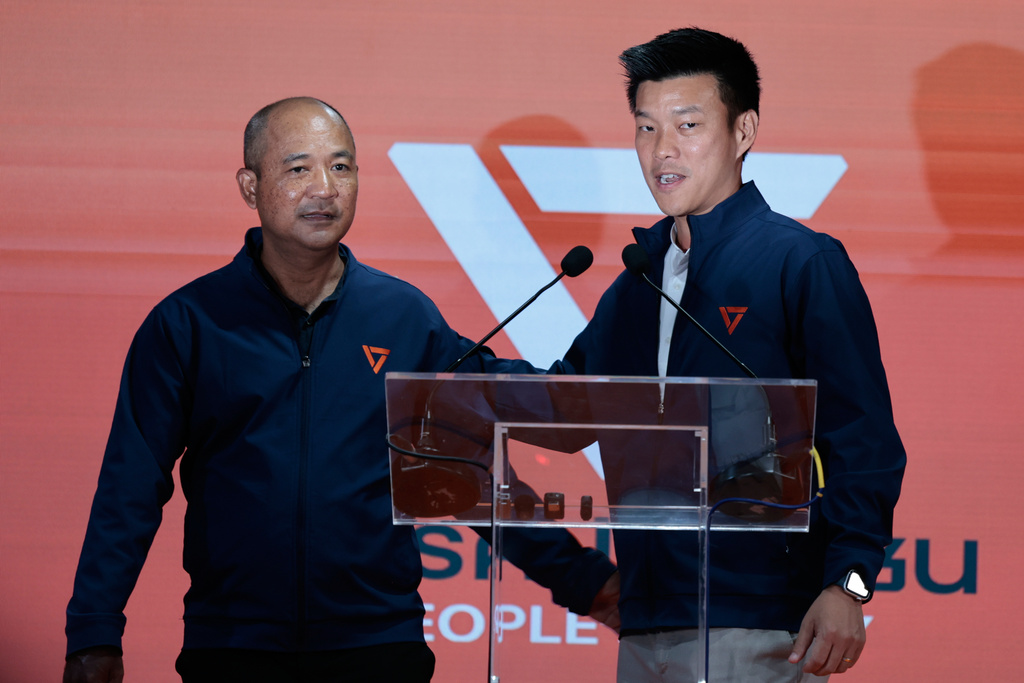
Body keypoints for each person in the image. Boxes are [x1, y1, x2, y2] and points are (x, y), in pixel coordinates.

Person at [63, 97, 618, 683]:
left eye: (342, 167)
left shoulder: (402, 317)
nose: (324, 188)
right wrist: (93, 633)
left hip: (377, 645)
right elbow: (129, 488)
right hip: (232, 645)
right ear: (250, 187)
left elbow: (465, 477)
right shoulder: (189, 323)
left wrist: (583, 580)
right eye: (298, 169)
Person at [550, 28, 906, 681]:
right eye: (646, 128)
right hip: (648, 622)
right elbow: (563, 408)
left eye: (687, 125)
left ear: (743, 132)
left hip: (762, 623)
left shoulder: (800, 262)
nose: (663, 150)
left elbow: (865, 441)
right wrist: (445, 367)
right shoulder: (638, 280)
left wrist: (849, 584)